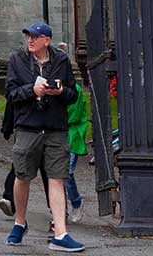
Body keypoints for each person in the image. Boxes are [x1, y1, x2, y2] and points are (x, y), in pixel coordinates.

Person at [4, 20, 83, 252]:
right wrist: (32, 90)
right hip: (27, 127)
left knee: (57, 177)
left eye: (35, 37)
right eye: (28, 36)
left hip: (55, 128)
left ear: (46, 41)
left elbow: (72, 95)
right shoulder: (17, 59)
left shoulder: (61, 60)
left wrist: (59, 91)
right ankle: (19, 222)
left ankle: (61, 232)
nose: (30, 40)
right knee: (23, 176)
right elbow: (10, 93)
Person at [64, 77, 90, 217]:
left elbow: (73, 115)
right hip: (60, 134)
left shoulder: (76, 89)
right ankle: (62, 208)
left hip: (72, 135)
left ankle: (76, 202)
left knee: (67, 173)